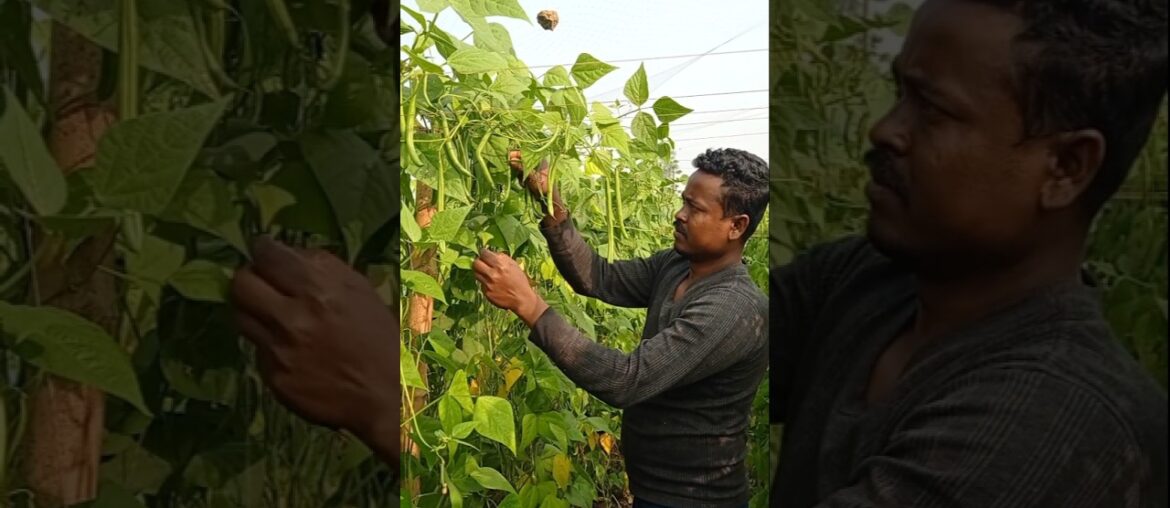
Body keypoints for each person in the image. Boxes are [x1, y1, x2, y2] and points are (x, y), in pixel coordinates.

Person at [769, 0, 1168, 506]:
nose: (884, 130)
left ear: (1066, 167)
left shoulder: (1053, 423)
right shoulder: (864, 278)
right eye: (901, 94)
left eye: (933, 110)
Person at [472, 148, 769, 508]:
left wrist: (529, 305)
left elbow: (628, 380)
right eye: (683, 202)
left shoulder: (733, 307)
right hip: (653, 490)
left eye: (695, 208)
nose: (679, 214)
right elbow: (599, 278)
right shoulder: (677, 265)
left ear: (737, 226)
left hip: (694, 499)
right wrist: (551, 203)